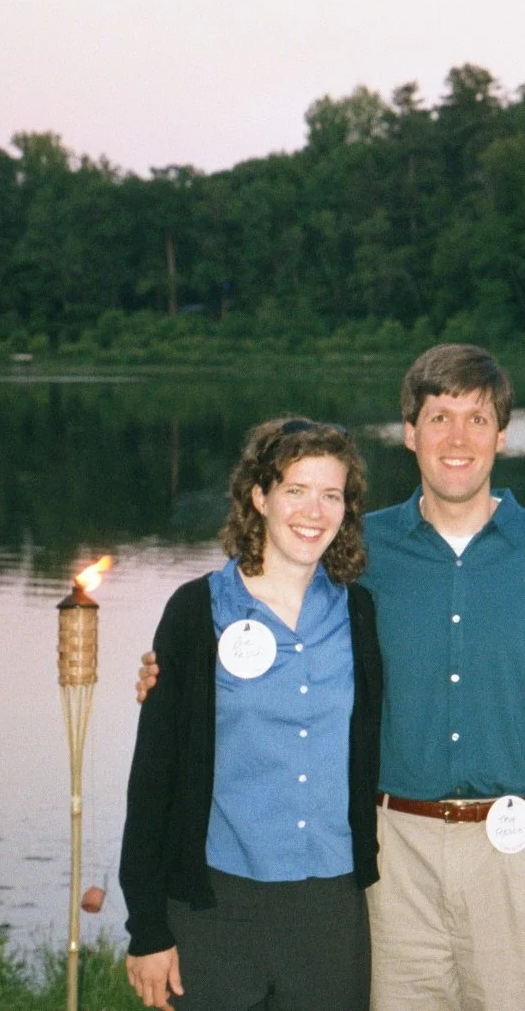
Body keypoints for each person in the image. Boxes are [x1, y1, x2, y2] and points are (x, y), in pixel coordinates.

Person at [139, 344, 525, 1011]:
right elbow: (259, 605)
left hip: (518, 857)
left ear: (502, 434)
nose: (457, 439)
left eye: (477, 419)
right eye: (439, 418)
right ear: (410, 432)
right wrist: (176, 675)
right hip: (393, 862)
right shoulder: (356, 552)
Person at [119, 417, 383, 1011]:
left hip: (330, 909)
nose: (313, 511)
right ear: (259, 497)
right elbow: (153, 778)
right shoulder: (195, 611)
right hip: (216, 906)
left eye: (331, 494)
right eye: (295, 490)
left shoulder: (359, 613)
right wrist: (147, 928)